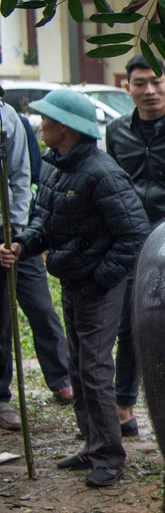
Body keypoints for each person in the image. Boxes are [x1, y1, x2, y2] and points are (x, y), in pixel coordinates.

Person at [0, 89, 149, 487]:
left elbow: (136, 236)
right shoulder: (56, 167)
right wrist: (23, 245)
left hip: (97, 288)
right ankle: (93, 442)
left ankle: (111, 457)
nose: (40, 125)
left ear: (65, 127)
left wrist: (100, 278)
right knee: (79, 366)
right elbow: (45, 223)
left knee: (95, 369)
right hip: (72, 280)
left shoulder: (103, 173)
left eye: (46, 120)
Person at [105, 53, 165, 438]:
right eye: (140, 83)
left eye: (156, 81)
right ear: (127, 88)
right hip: (130, 243)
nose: (149, 90)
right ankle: (124, 407)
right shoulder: (116, 133)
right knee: (129, 325)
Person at [0, 86, 71, 431]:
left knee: (41, 307)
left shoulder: (8, 120)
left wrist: (14, 231)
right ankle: (1, 396)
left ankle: (61, 377)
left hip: (15, 234)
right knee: (0, 318)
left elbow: (21, 177)